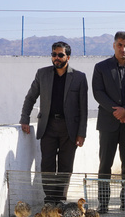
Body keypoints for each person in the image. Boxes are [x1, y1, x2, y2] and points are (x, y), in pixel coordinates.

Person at [20, 41, 88, 203]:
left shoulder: (79, 77)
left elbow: (83, 108)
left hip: (69, 128)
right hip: (48, 126)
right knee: (47, 164)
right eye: (53, 54)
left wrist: (81, 133)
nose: (56, 58)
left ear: (68, 57)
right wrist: (24, 118)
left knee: (65, 166)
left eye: (60, 55)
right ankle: (50, 200)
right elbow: (30, 97)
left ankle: (59, 200)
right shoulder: (42, 74)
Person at [92, 31, 125, 214]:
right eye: (120, 45)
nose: (124, 49)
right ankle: (104, 203)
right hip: (109, 124)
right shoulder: (101, 68)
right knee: (105, 164)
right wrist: (117, 112)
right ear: (114, 45)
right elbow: (98, 93)